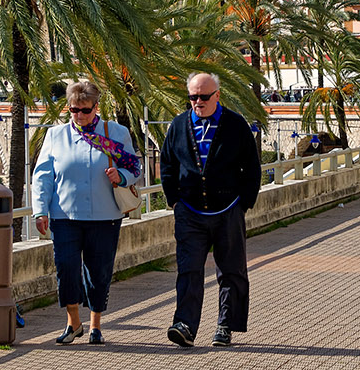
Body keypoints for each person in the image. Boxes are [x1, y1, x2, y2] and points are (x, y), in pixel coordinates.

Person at [31, 80, 140, 346]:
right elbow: (43, 175)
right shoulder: (56, 136)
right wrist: (39, 211)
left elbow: (136, 167)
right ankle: (73, 322)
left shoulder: (116, 133)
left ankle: (95, 325)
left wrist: (121, 176)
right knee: (66, 269)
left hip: (105, 216)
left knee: (99, 272)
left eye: (84, 110)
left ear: (96, 107)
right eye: (73, 110)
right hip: (64, 216)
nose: (79, 115)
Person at [163, 72, 261, 350]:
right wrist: (174, 201)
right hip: (190, 212)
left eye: (204, 96)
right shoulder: (179, 125)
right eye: (193, 97)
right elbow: (168, 164)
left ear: (217, 95)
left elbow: (251, 167)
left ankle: (225, 325)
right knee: (189, 269)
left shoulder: (235, 124)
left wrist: (244, 202)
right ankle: (184, 325)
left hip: (228, 209)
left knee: (231, 271)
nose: (198, 102)